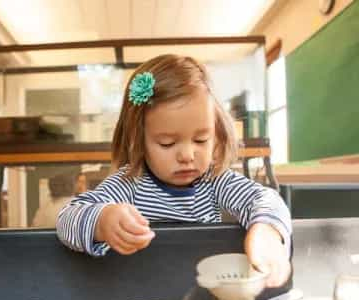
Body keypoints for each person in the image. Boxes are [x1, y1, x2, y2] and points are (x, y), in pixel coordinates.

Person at [56, 54, 291, 288]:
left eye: (201, 139)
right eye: (167, 143)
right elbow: (67, 218)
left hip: (202, 293)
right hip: (141, 293)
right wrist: (101, 221)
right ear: (138, 140)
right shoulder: (129, 185)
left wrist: (267, 231)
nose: (187, 155)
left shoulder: (215, 180)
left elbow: (265, 198)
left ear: (216, 133)